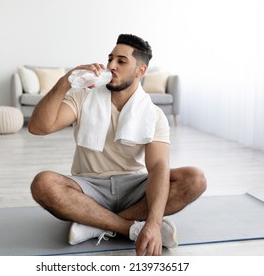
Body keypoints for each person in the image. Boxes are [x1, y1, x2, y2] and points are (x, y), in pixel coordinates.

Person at [28, 34, 206, 256]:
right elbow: (38, 128)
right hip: (88, 186)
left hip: (134, 186)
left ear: (140, 71)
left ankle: (94, 223)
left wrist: (153, 223)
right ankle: (129, 227)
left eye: (121, 61)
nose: (111, 66)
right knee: (43, 183)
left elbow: (158, 167)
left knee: (195, 179)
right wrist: (65, 82)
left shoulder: (154, 115)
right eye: (110, 58)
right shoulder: (83, 96)